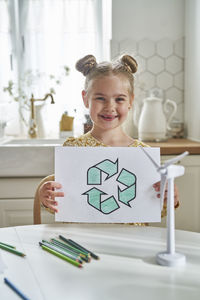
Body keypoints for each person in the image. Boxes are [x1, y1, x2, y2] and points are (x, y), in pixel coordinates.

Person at [36, 54, 179, 221]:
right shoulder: (73, 149)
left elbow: (155, 210)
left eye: (119, 99)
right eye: (100, 98)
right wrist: (46, 198)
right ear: (85, 99)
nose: (110, 107)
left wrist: (169, 199)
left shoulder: (144, 154)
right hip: (82, 242)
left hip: (130, 241)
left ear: (130, 101)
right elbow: (63, 203)